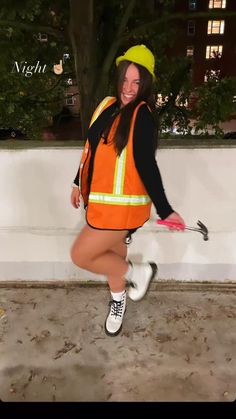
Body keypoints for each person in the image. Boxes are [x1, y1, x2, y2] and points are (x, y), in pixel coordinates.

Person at [70, 44, 185, 337]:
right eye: (125, 80)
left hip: (122, 211)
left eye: (136, 82)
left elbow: (146, 165)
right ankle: (118, 302)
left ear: (145, 84)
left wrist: (166, 209)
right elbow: (92, 148)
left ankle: (140, 273)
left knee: (80, 255)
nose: (129, 88)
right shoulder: (107, 106)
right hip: (100, 203)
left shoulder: (142, 115)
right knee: (113, 258)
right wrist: (76, 182)